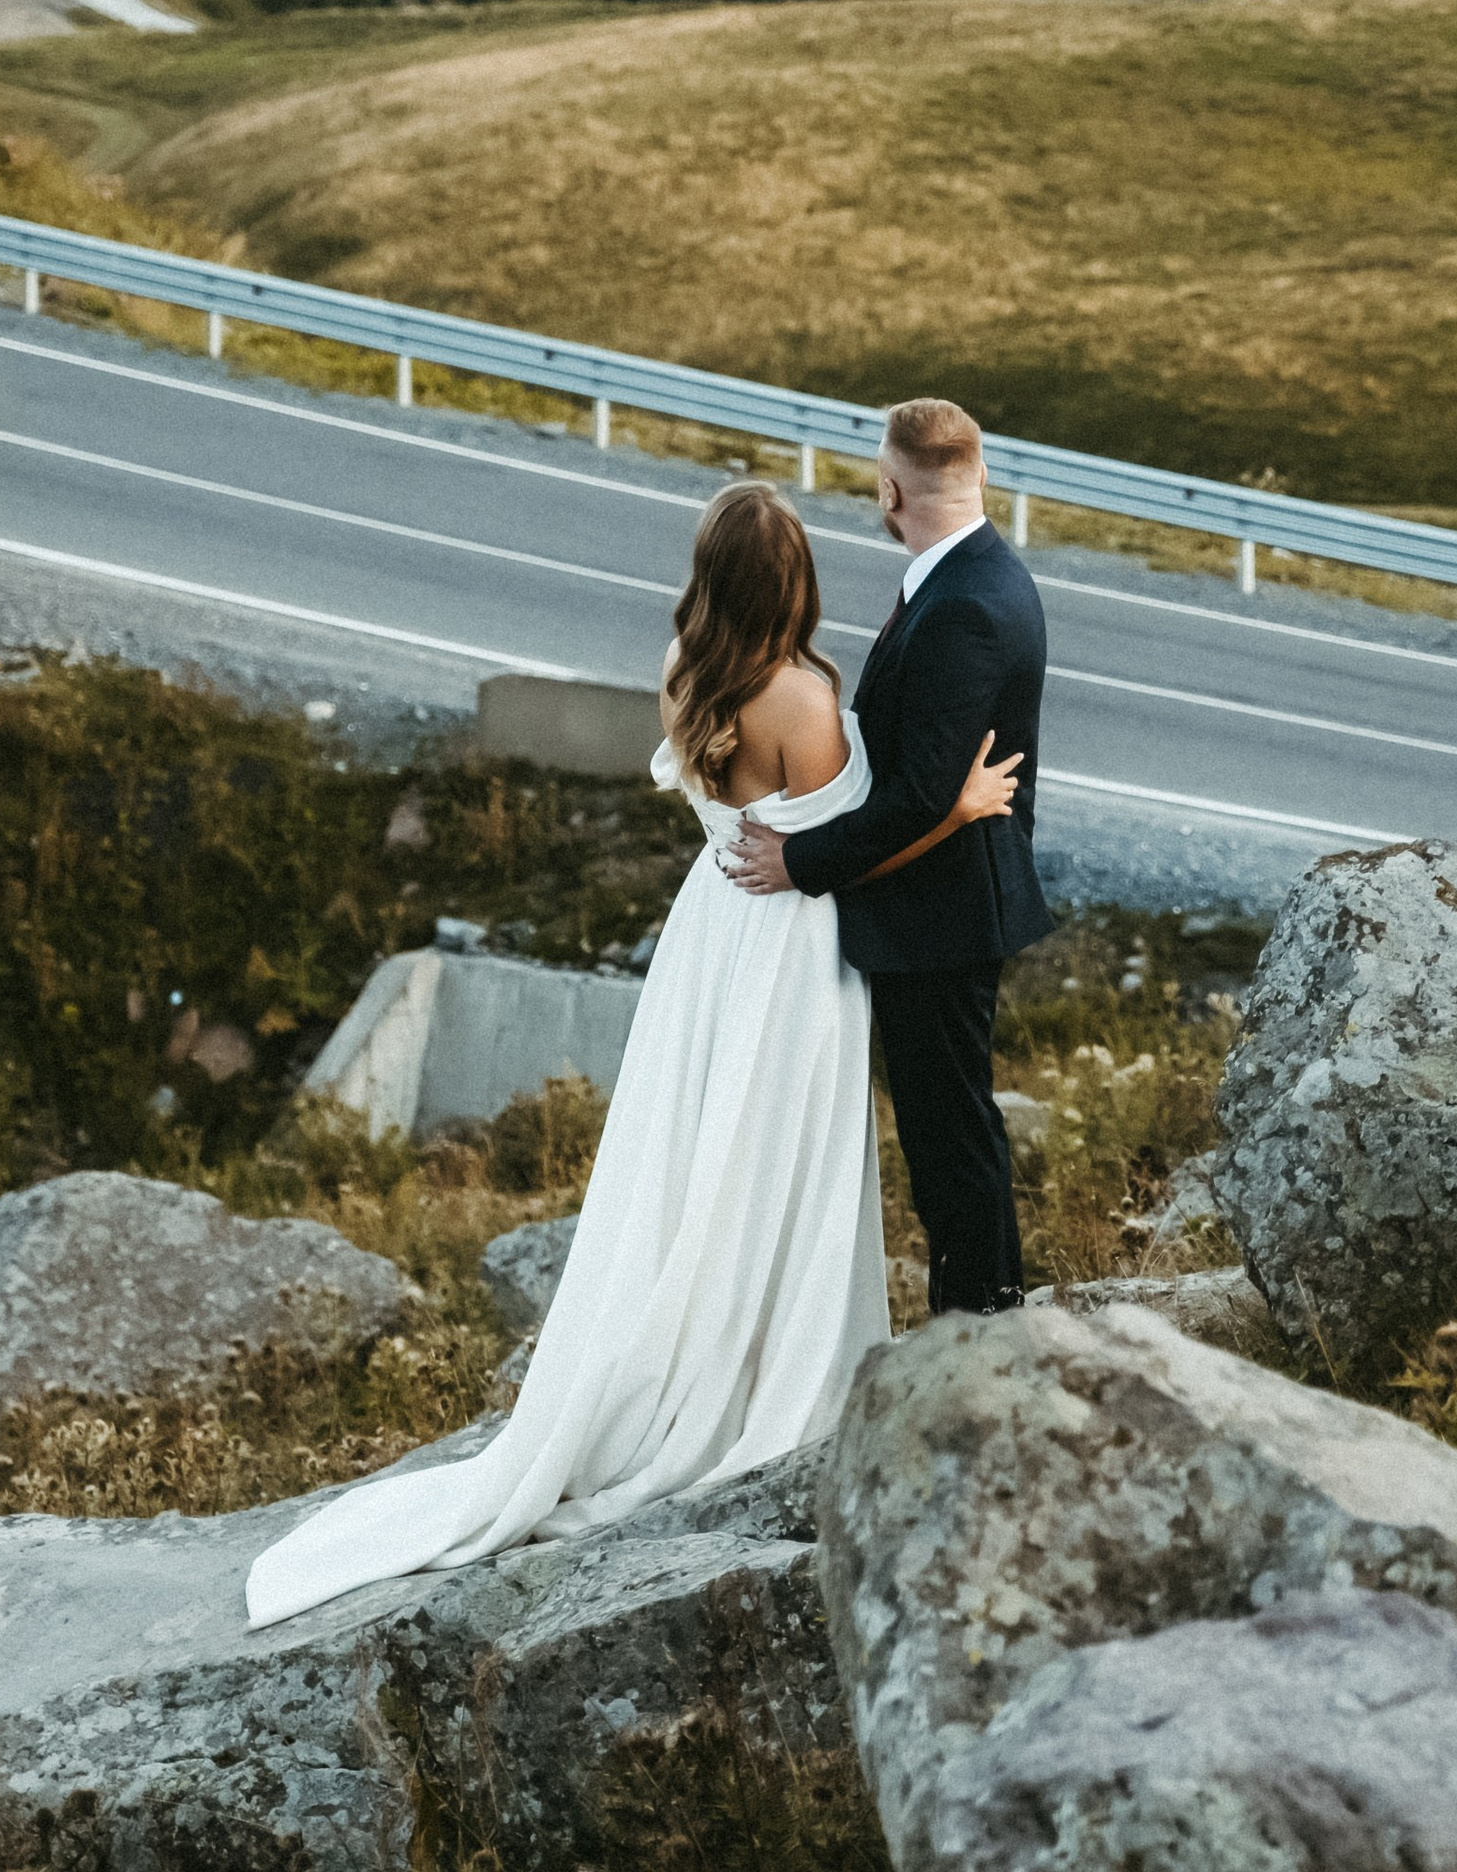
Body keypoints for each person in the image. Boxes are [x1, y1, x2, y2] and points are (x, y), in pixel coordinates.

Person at [243, 475, 1018, 1630]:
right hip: (789, 957)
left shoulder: (687, 674)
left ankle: (702, 1342)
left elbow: (751, 826)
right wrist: (956, 807)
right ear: (794, 580)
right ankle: (765, 1371)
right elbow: (855, 847)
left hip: (709, 934)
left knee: (706, 1153)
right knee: (778, 1161)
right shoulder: (801, 696)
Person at [722, 397, 1051, 1316]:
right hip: (942, 894)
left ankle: (981, 1310)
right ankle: (977, 1304)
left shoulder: (964, 607)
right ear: (979, 474)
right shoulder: (971, 573)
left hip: (941, 908)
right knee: (944, 1119)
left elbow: (917, 798)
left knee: (948, 1125)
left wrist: (800, 860)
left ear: (890, 487)